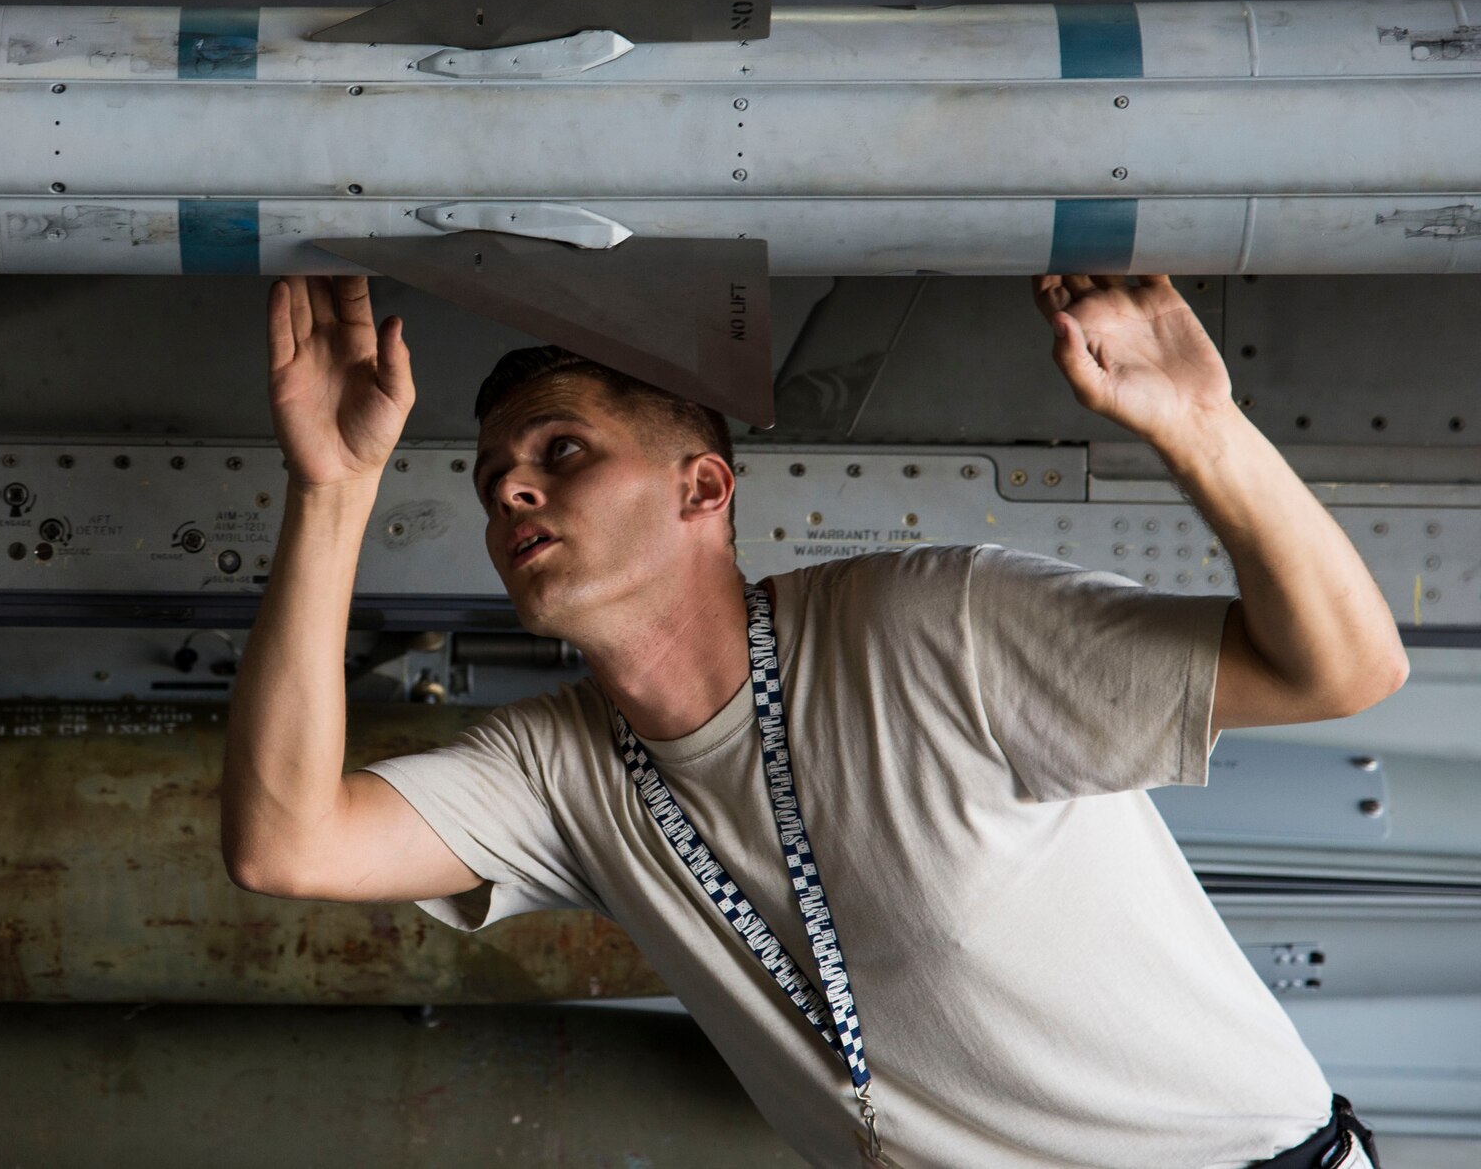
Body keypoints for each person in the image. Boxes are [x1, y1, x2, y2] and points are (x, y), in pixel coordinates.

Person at [222, 272, 1406, 1169]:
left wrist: (1203, 429)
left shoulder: (931, 626)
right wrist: (333, 491)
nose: (511, 491)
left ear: (701, 488)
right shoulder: (558, 771)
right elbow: (287, 843)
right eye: (492, 483)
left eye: (559, 451)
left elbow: (1341, 672)